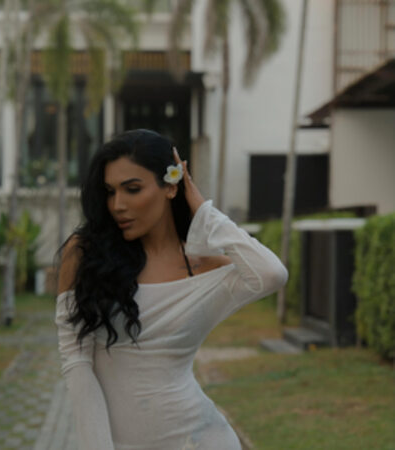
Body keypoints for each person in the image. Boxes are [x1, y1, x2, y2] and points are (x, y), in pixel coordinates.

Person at [55, 129, 289, 450]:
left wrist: (202, 209)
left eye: (132, 189)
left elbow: (272, 274)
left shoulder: (204, 267)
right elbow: (76, 362)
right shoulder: (88, 256)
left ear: (170, 186)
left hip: (201, 440)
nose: (117, 205)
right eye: (110, 192)